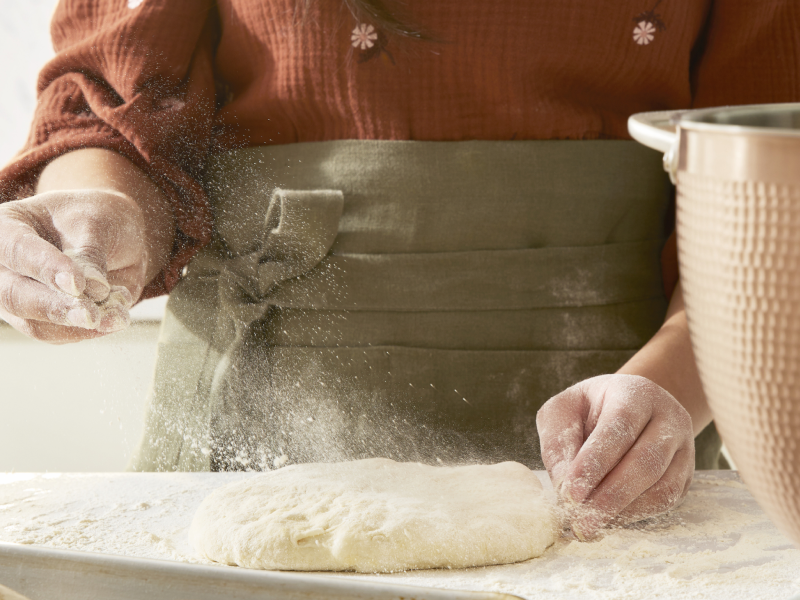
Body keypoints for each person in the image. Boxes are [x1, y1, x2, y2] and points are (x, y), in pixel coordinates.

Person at [0, 0, 796, 541]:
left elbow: (770, 186)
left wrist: (673, 386)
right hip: (245, 417)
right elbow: (115, 104)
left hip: (613, 433)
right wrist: (96, 214)